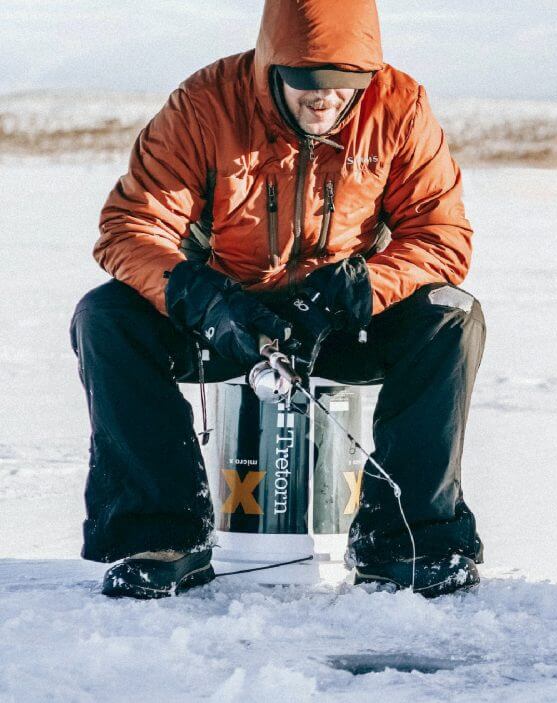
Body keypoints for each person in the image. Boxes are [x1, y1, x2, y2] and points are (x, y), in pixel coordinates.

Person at [69, 0, 485, 599]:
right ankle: (161, 535)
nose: (324, 101)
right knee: (105, 316)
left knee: (452, 314)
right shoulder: (205, 104)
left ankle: (408, 542)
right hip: (226, 320)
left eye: (343, 87)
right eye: (306, 84)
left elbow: (441, 236)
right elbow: (132, 227)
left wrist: (366, 286)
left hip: (342, 320)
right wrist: (200, 298)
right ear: (271, 66)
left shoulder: (400, 106)